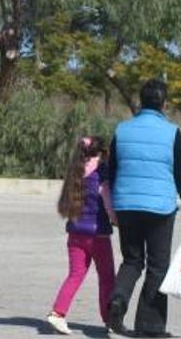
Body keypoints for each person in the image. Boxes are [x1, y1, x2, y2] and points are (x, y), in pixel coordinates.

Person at [106, 79, 181, 338]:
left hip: (126, 205)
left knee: (132, 260)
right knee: (158, 267)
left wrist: (112, 206)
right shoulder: (171, 132)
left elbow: (111, 171)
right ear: (164, 103)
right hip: (159, 208)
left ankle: (118, 299)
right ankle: (151, 327)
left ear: (141, 101)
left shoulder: (122, 130)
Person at [47, 136, 117, 335]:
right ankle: (109, 319)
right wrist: (115, 219)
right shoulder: (101, 170)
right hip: (99, 234)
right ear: (101, 153)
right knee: (107, 279)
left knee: (75, 275)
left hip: (75, 233)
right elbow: (106, 197)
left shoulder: (75, 171)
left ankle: (58, 313)